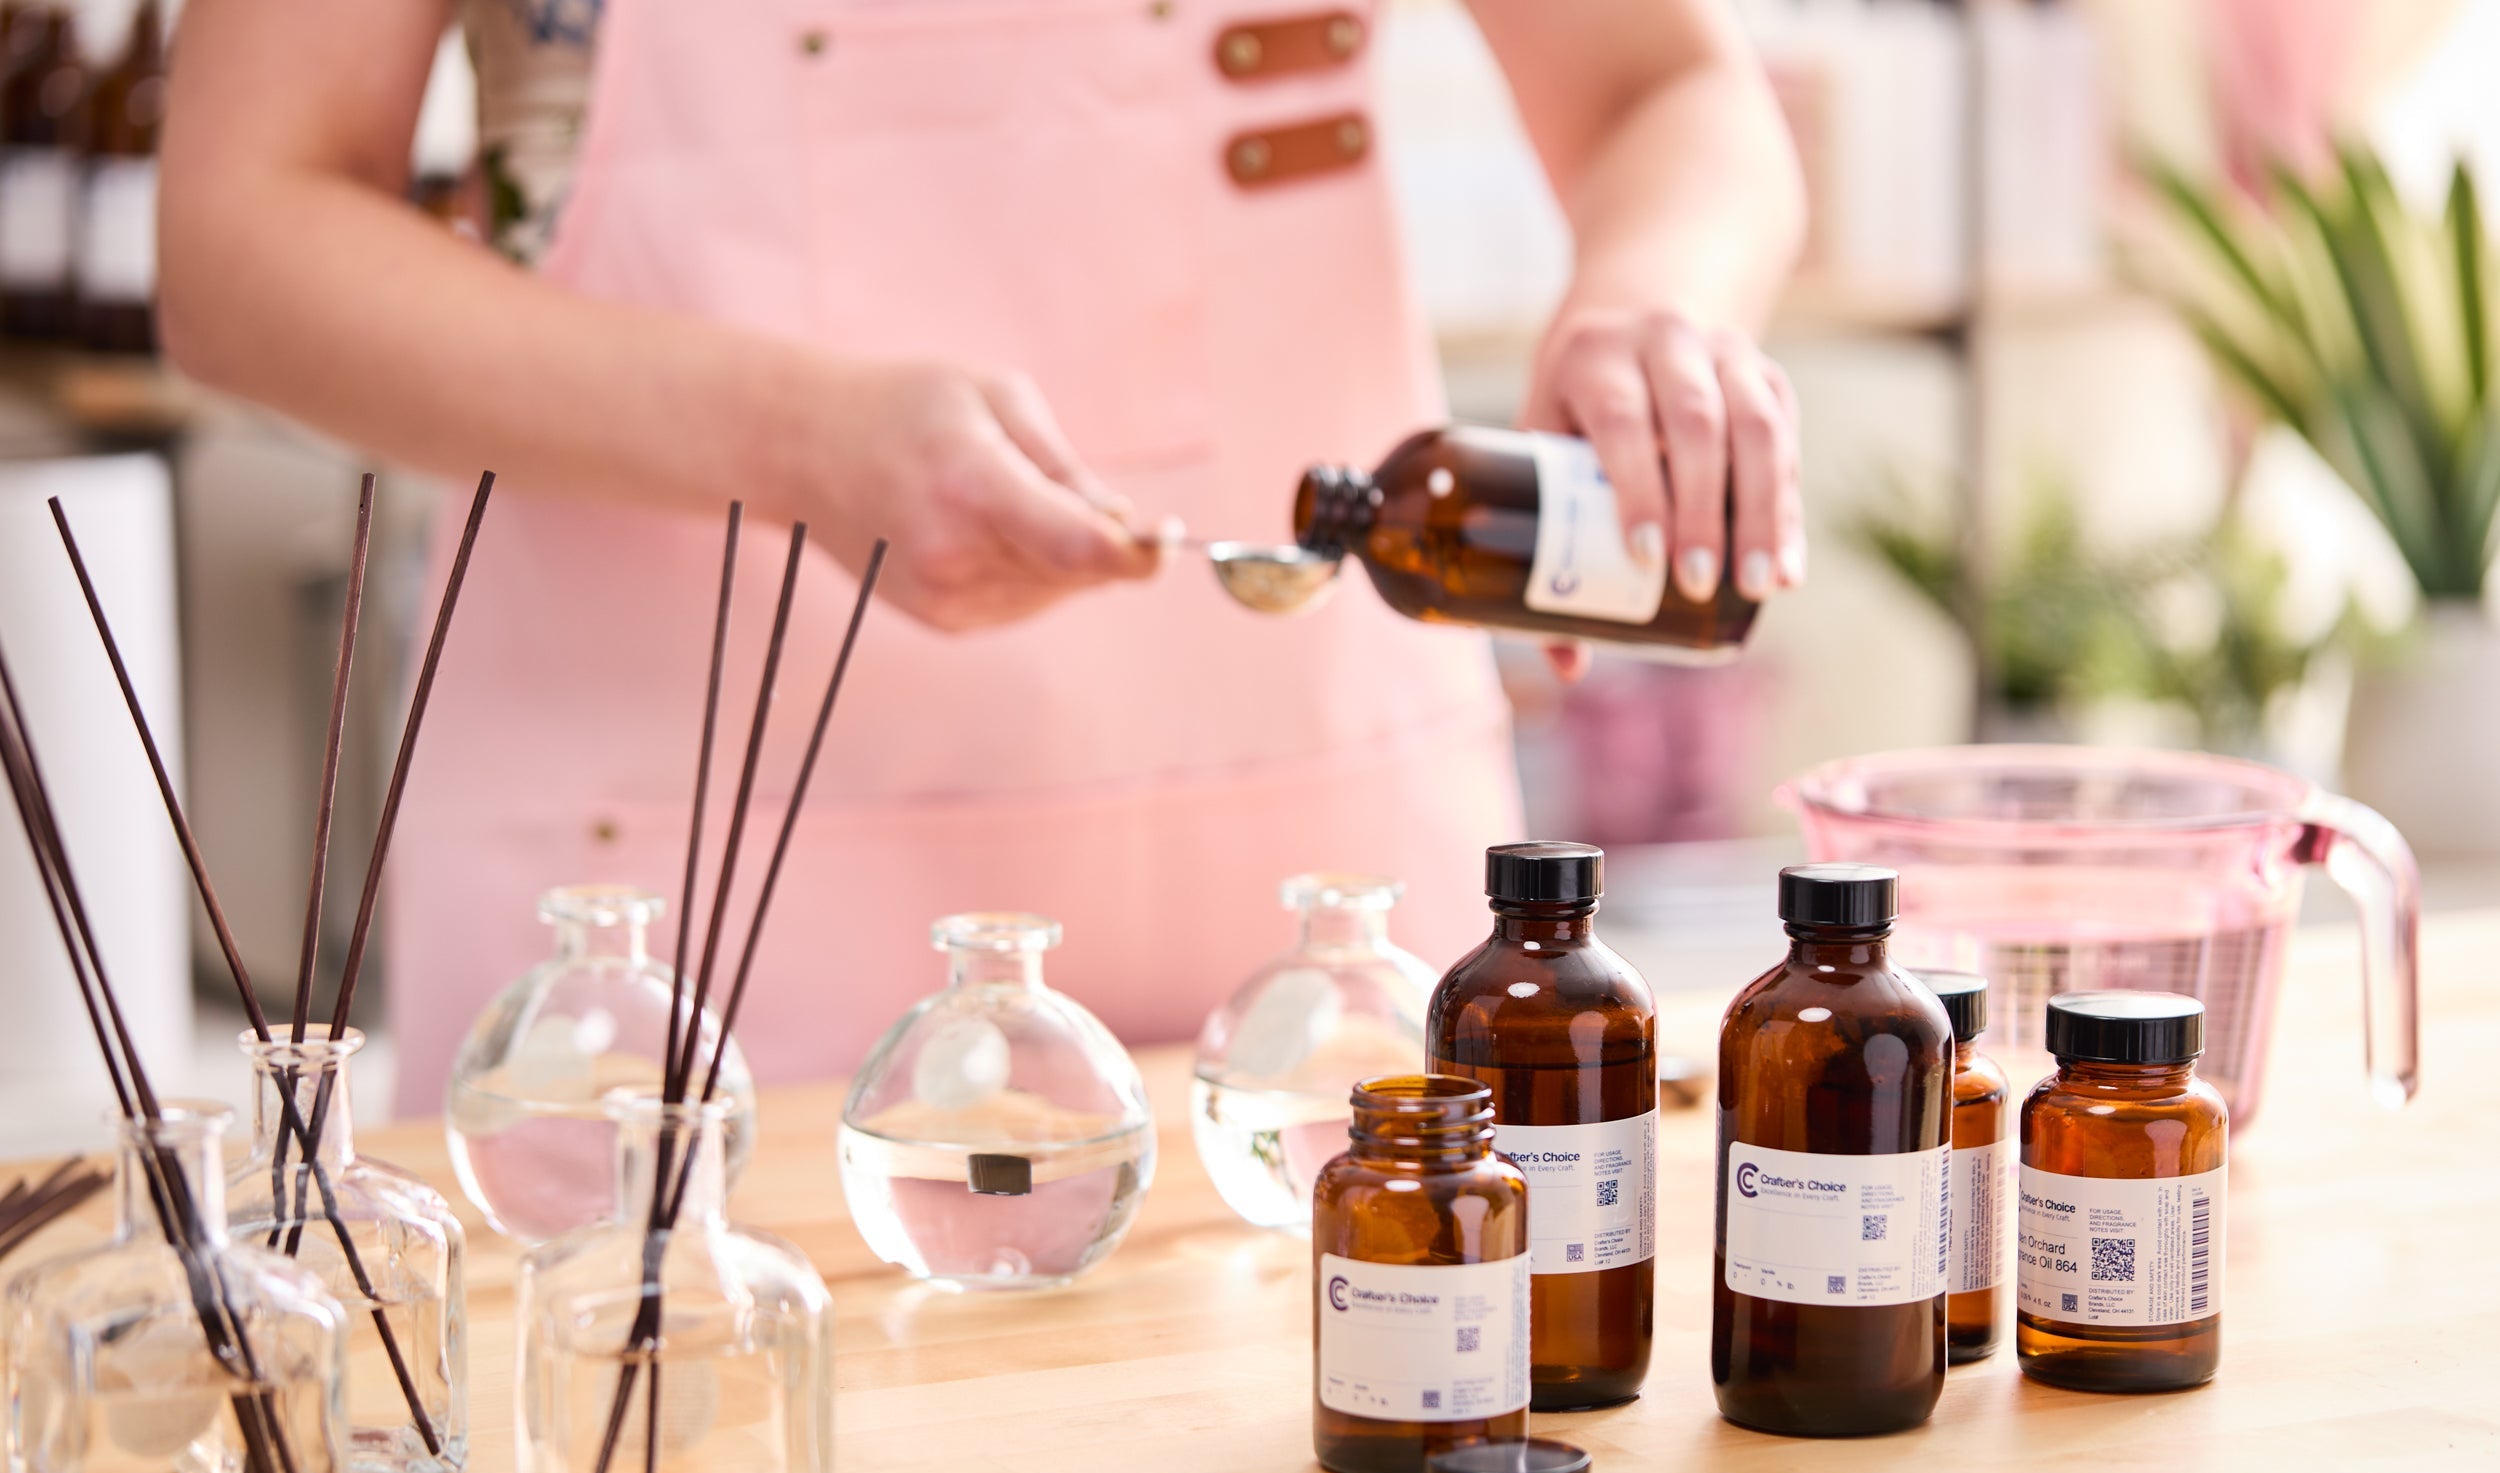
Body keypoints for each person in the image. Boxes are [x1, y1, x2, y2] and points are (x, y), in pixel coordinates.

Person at [159, 0, 1805, 1109]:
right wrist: (791, 438)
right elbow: (243, 242)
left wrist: (1658, 298)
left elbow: (1668, 85)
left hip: (1315, 858)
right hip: (661, 911)